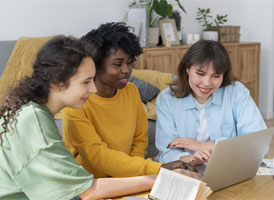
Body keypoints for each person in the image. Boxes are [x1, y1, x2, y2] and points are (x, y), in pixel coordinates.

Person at [0, 36, 200, 200]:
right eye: (86, 82)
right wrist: (159, 178)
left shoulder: (33, 112)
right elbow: (85, 191)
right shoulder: (33, 123)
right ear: (57, 82)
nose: (93, 89)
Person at [62, 22, 185, 178]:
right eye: (117, 64)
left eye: (129, 62)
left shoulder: (132, 91)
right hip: (89, 183)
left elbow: (139, 139)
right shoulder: (75, 104)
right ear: (95, 65)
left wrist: (134, 174)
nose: (126, 70)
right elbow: (97, 155)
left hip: (127, 178)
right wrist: (157, 168)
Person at [155, 40, 267, 165]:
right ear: (187, 68)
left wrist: (203, 146)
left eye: (216, 76)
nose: (207, 83)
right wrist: (189, 159)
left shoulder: (236, 92)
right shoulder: (167, 99)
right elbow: (166, 152)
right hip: (184, 169)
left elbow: (258, 143)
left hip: (228, 166)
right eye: (200, 73)